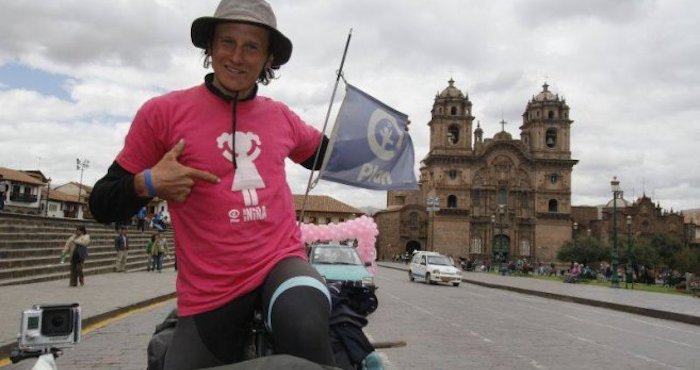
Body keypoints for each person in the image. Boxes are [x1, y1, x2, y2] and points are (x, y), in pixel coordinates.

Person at [88, 0, 336, 368]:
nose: (237, 56)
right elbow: (101, 204)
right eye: (227, 42)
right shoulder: (163, 113)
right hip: (210, 289)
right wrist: (150, 183)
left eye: (252, 46)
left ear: (268, 59)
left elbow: (332, 157)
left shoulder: (281, 116)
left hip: (280, 263)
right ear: (210, 48)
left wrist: (382, 138)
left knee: (305, 325)